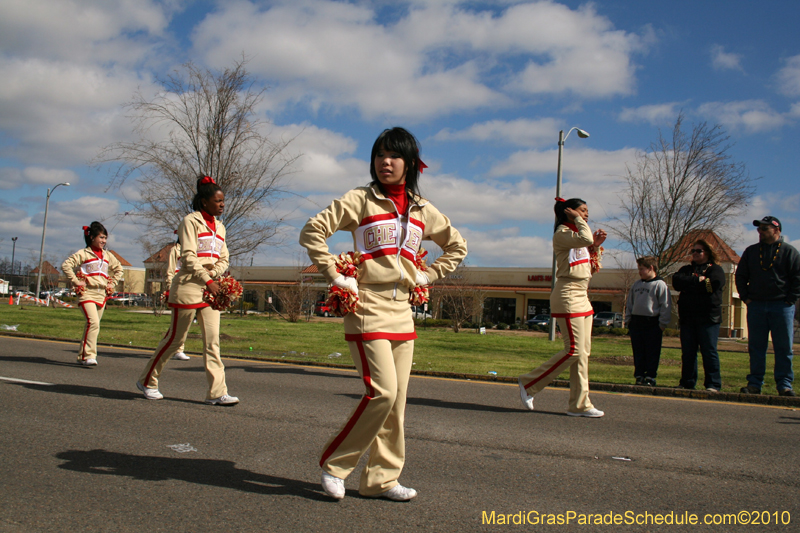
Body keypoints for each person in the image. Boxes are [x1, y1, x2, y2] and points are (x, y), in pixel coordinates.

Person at [300, 127, 467, 502]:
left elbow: (457, 245)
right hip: (367, 306)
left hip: (402, 311)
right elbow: (313, 231)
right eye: (379, 155)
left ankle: (382, 480)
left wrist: (428, 274)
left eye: (393, 156)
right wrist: (337, 275)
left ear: (409, 163)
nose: (384, 162)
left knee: (398, 402)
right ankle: (335, 464)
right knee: (382, 393)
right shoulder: (361, 199)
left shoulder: (423, 210)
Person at [136, 176, 239, 405]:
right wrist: (206, 278)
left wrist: (214, 275)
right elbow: (188, 256)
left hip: (210, 287)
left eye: (223, 201)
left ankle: (217, 392)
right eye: (218, 201)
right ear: (204, 202)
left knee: (213, 341)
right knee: (175, 339)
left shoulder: (220, 227)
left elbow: (224, 257)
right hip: (188, 286)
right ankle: (147, 381)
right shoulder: (190, 222)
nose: (222, 205)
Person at [518, 198, 607, 417]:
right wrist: (581, 226)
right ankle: (529, 384)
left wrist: (594, 246)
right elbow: (584, 237)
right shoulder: (563, 234)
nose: (586, 214)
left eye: (587, 211)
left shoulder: (577, 239)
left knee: (583, 354)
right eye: (582, 210)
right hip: (568, 294)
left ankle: (580, 405)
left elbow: (589, 268)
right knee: (574, 350)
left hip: (582, 295)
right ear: (568, 211)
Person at [735, 216, 800, 397]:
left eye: (764, 229)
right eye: (759, 229)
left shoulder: (789, 252)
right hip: (756, 305)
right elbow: (740, 276)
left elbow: (798, 278)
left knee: (784, 347)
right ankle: (755, 383)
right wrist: (746, 297)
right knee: (756, 347)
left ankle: (784, 385)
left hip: (782, 306)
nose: (760, 232)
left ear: (776, 230)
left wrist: (790, 300)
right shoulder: (751, 251)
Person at [62, 222, 124, 366]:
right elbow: (66, 265)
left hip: (101, 294)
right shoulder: (83, 253)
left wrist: (112, 283)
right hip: (87, 293)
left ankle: (82, 356)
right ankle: (90, 355)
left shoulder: (107, 255)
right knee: (93, 322)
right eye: (101, 237)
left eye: (105, 238)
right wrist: (76, 282)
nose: (103, 241)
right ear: (91, 237)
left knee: (92, 325)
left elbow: (119, 269)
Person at [672, 239, 725, 392]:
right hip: (688, 318)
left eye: (698, 251)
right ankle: (687, 382)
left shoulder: (716, 270)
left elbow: (712, 286)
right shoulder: (686, 269)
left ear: (707, 253)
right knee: (688, 352)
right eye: (693, 251)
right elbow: (677, 282)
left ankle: (713, 384)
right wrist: (697, 280)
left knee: (709, 351)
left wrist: (691, 285)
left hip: (708, 318)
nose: (695, 253)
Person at [625, 256, 671, 387]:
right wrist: (628, 320)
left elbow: (665, 305)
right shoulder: (636, 285)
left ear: (651, 268)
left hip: (652, 322)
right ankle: (639, 375)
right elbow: (630, 303)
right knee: (638, 350)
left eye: (642, 269)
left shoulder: (659, 285)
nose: (639, 272)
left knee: (652, 351)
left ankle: (650, 376)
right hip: (636, 322)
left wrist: (662, 324)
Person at [165, 233, 190, 360]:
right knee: (179, 321)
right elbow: (171, 270)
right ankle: (178, 350)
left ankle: (168, 346)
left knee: (183, 322)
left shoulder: (194, 249)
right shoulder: (175, 250)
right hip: (179, 287)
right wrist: (170, 287)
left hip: (191, 288)